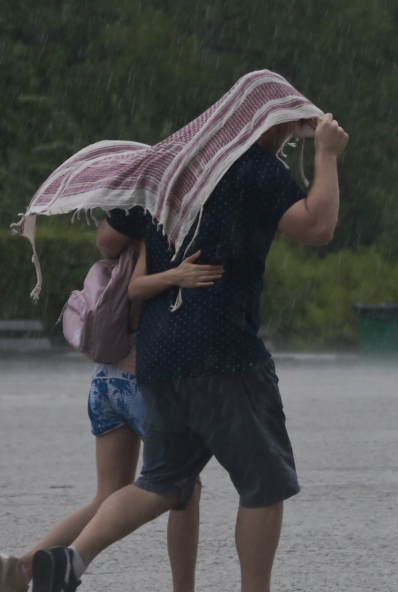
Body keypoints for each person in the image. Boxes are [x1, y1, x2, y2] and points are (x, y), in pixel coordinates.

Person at [29, 106, 347, 592]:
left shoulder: (166, 168)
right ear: (267, 124)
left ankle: (72, 559)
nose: (287, 140)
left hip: (158, 357)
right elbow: (317, 227)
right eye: (287, 128)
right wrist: (326, 156)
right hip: (224, 353)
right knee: (264, 485)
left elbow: (109, 238)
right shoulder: (253, 166)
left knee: (159, 483)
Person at [0, 231, 223, 592]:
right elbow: (141, 292)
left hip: (106, 381)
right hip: (142, 386)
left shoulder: (126, 243)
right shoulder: (160, 237)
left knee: (108, 494)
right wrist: (178, 276)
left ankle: (21, 568)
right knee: (186, 486)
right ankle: (182, 589)